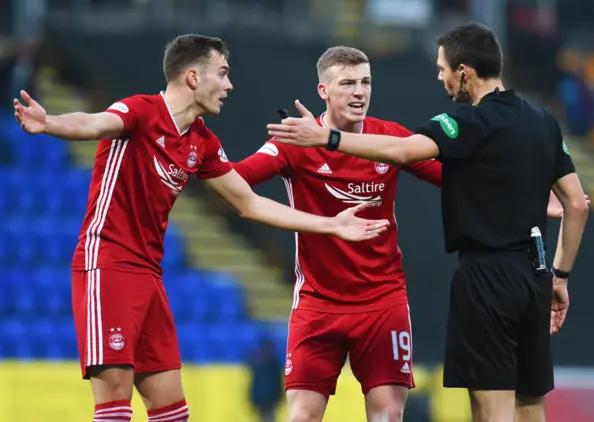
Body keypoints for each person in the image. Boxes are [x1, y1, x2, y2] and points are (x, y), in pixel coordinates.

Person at [12, 34, 389, 422]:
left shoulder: (202, 143)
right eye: (222, 74)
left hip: (149, 275)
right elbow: (92, 123)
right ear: (193, 77)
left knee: (171, 411)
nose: (229, 85)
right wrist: (50, 123)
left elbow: (249, 202)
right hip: (106, 265)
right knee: (114, 405)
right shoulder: (140, 111)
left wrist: (330, 224)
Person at [235, 46, 582, 422]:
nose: (359, 92)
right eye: (347, 83)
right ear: (323, 91)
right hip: (318, 303)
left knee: (387, 414)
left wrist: (523, 193)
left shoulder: (391, 140)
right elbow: (235, 183)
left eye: (366, 82)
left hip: (382, 302)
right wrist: (201, 155)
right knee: (301, 416)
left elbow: (458, 179)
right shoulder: (295, 142)